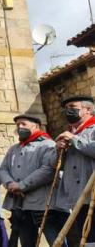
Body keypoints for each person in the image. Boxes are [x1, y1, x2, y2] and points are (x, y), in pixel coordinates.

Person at [0, 114, 60, 247]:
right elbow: (3, 170)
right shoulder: (14, 149)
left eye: (23, 124)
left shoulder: (48, 144)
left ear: (36, 126)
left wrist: (22, 185)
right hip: (20, 205)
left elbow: (48, 170)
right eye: (17, 125)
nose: (20, 127)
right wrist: (10, 184)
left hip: (44, 205)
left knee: (56, 242)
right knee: (26, 243)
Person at [53, 96, 95, 244]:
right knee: (87, 236)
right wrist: (59, 151)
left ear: (88, 110)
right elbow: (58, 166)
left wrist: (74, 139)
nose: (68, 111)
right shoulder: (72, 134)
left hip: (93, 192)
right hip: (78, 197)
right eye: (66, 108)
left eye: (72, 107)